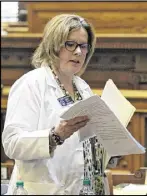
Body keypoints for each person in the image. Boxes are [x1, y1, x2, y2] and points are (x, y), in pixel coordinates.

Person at [2, 14, 119, 195]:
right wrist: (55, 136)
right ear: (53, 46)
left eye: (83, 46)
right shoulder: (31, 84)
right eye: (70, 44)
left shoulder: (83, 88)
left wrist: (113, 145)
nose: (78, 52)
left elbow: (83, 147)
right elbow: (12, 144)